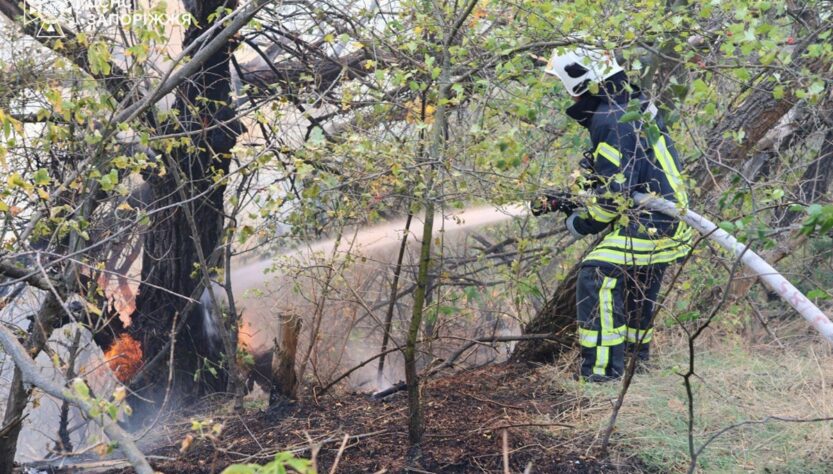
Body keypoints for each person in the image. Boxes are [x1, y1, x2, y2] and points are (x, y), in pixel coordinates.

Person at [533, 47, 692, 382]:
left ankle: (602, 376)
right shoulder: (627, 104)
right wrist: (573, 197)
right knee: (637, 280)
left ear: (583, 82)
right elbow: (627, 175)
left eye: (566, 85)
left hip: (655, 223)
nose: (567, 95)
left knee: (596, 273)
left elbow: (611, 201)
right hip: (666, 220)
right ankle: (637, 363)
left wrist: (579, 221)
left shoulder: (609, 120)